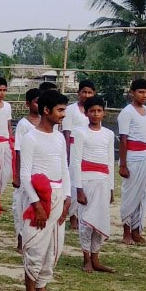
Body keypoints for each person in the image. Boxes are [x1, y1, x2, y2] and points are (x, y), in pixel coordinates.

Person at [17, 89, 71, 291]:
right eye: (60, 110)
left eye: (64, 110)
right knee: (35, 247)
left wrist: (67, 198)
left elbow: (65, 170)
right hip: (37, 199)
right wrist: (37, 204)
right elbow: (24, 175)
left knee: (54, 248)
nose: (63, 115)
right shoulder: (30, 138)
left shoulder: (59, 137)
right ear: (46, 110)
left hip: (59, 196)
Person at [71, 95, 115, 274]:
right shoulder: (80, 132)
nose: (96, 114)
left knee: (101, 219)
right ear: (86, 113)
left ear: (104, 113)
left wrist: (111, 187)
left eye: (99, 111)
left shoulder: (109, 134)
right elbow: (75, 161)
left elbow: (110, 161)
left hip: (103, 181)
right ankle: (86, 258)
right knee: (86, 221)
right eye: (92, 111)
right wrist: (78, 189)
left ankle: (96, 257)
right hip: (86, 180)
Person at [118, 79, 146, 246]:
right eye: (141, 92)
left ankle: (136, 230)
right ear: (132, 93)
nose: (144, 95)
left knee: (143, 195)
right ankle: (126, 232)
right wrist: (123, 164)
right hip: (132, 157)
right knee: (130, 195)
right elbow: (123, 140)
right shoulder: (127, 112)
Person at [62, 80, 96, 229]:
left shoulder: (94, 110)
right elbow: (67, 132)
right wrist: (67, 154)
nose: (87, 95)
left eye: (90, 93)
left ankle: (85, 214)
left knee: (86, 182)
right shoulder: (71, 110)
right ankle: (73, 215)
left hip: (89, 149)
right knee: (74, 182)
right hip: (74, 148)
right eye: (84, 92)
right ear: (79, 93)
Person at [13, 88, 41, 250]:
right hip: (26, 170)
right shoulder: (24, 124)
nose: (39, 105)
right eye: (36, 101)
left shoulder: (47, 122)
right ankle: (20, 238)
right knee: (21, 205)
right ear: (28, 104)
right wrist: (17, 175)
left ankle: (34, 238)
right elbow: (18, 150)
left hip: (41, 170)